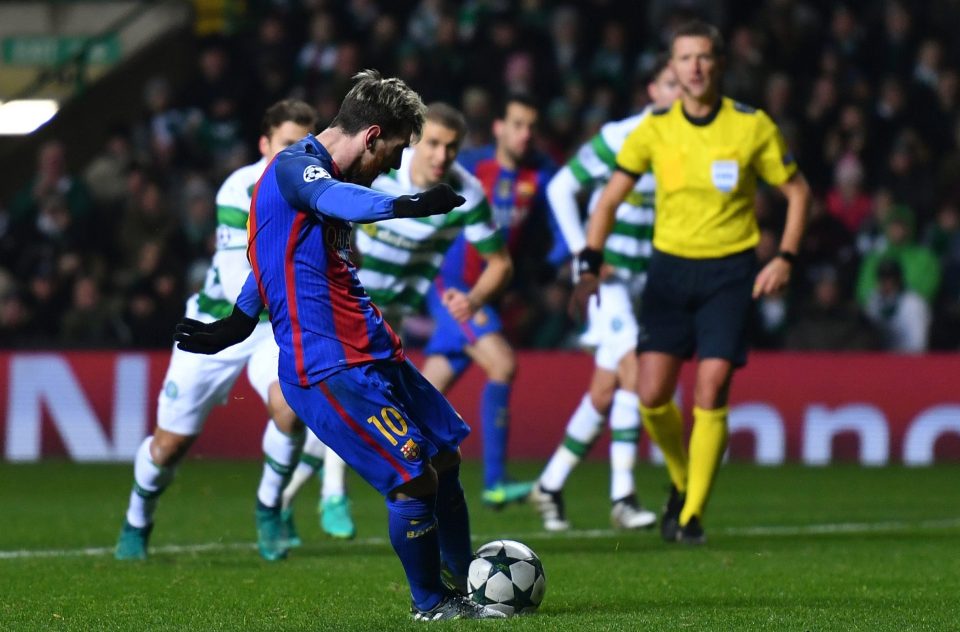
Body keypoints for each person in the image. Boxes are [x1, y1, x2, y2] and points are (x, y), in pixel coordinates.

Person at [173, 70, 504, 620]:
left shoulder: (312, 187)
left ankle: (465, 581)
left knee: (444, 457)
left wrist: (238, 319)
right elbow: (334, 197)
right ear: (372, 136)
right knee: (412, 477)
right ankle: (431, 604)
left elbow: (272, 260)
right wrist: (411, 205)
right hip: (328, 368)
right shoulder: (296, 169)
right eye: (396, 151)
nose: (396, 167)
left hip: (375, 352)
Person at [574, 21, 810, 544]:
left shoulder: (751, 126)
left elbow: (797, 191)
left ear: (719, 64)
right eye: (685, 58)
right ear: (673, 68)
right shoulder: (655, 129)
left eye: (704, 57)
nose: (695, 67)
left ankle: (691, 516)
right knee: (653, 394)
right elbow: (609, 199)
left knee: (712, 386)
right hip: (669, 272)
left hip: (730, 272)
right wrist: (589, 261)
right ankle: (683, 482)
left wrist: (786, 257)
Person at [114, 100, 348, 562]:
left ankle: (268, 506)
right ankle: (137, 519)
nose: (296, 155)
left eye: (305, 145)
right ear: (264, 145)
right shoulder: (238, 189)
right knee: (169, 446)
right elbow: (237, 270)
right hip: (216, 324)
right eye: (286, 145)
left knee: (291, 408)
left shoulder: (322, 190)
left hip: (270, 328)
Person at [280, 102, 513, 536]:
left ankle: (283, 498)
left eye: (453, 147)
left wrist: (475, 298)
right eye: (434, 144)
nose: (442, 155)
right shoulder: (382, 176)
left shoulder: (467, 194)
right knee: (366, 412)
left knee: (349, 425)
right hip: (347, 309)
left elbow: (500, 263)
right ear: (415, 144)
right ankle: (333, 495)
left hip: (393, 321)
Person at [531, 54, 681, 532]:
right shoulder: (621, 137)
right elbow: (560, 188)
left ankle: (550, 485)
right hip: (610, 281)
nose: (680, 91)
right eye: (670, 82)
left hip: (648, 280)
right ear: (652, 91)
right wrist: (585, 258)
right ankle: (622, 493)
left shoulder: (691, 145)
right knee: (635, 370)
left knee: (605, 388)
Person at [420, 93, 565, 507]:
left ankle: (374, 456)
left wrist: (549, 266)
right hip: (450, 287)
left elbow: (559, 229)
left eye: (532, 127)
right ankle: (496, 479)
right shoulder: (469, 166)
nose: (525, 134)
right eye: (517, 124)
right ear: (500, 127)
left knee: (430, 385)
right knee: (502, 362)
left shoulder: (542, 175)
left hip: (488, 290)